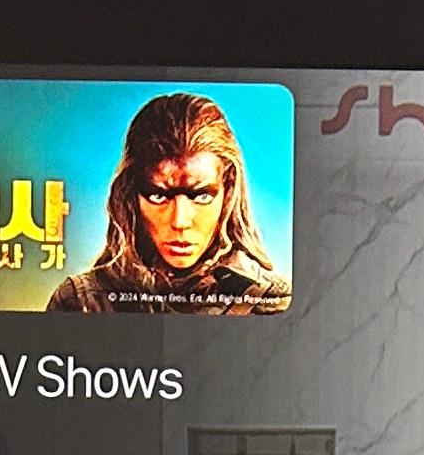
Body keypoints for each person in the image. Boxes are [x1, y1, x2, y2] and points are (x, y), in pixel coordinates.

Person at [48, 91, 290, 314]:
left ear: (228, 192)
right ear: (130, 195)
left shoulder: (271, 303)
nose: (180, 221)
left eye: (201, 196)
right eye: (158, 196)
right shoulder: (81, 301)